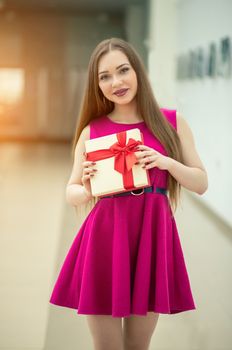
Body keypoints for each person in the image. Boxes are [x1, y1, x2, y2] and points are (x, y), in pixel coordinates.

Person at [49, 37, 208, 350]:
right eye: (104, 76)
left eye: (123, 70)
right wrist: (86, 188)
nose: (116, 82)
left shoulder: (171, 123)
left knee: (138, 345)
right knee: (107, 345)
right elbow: (72, 190)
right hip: (104, 239)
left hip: (151, 237)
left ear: (138, 71)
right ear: (97, 85)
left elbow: (200, 183)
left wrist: (166, 162)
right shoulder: (91, 130)